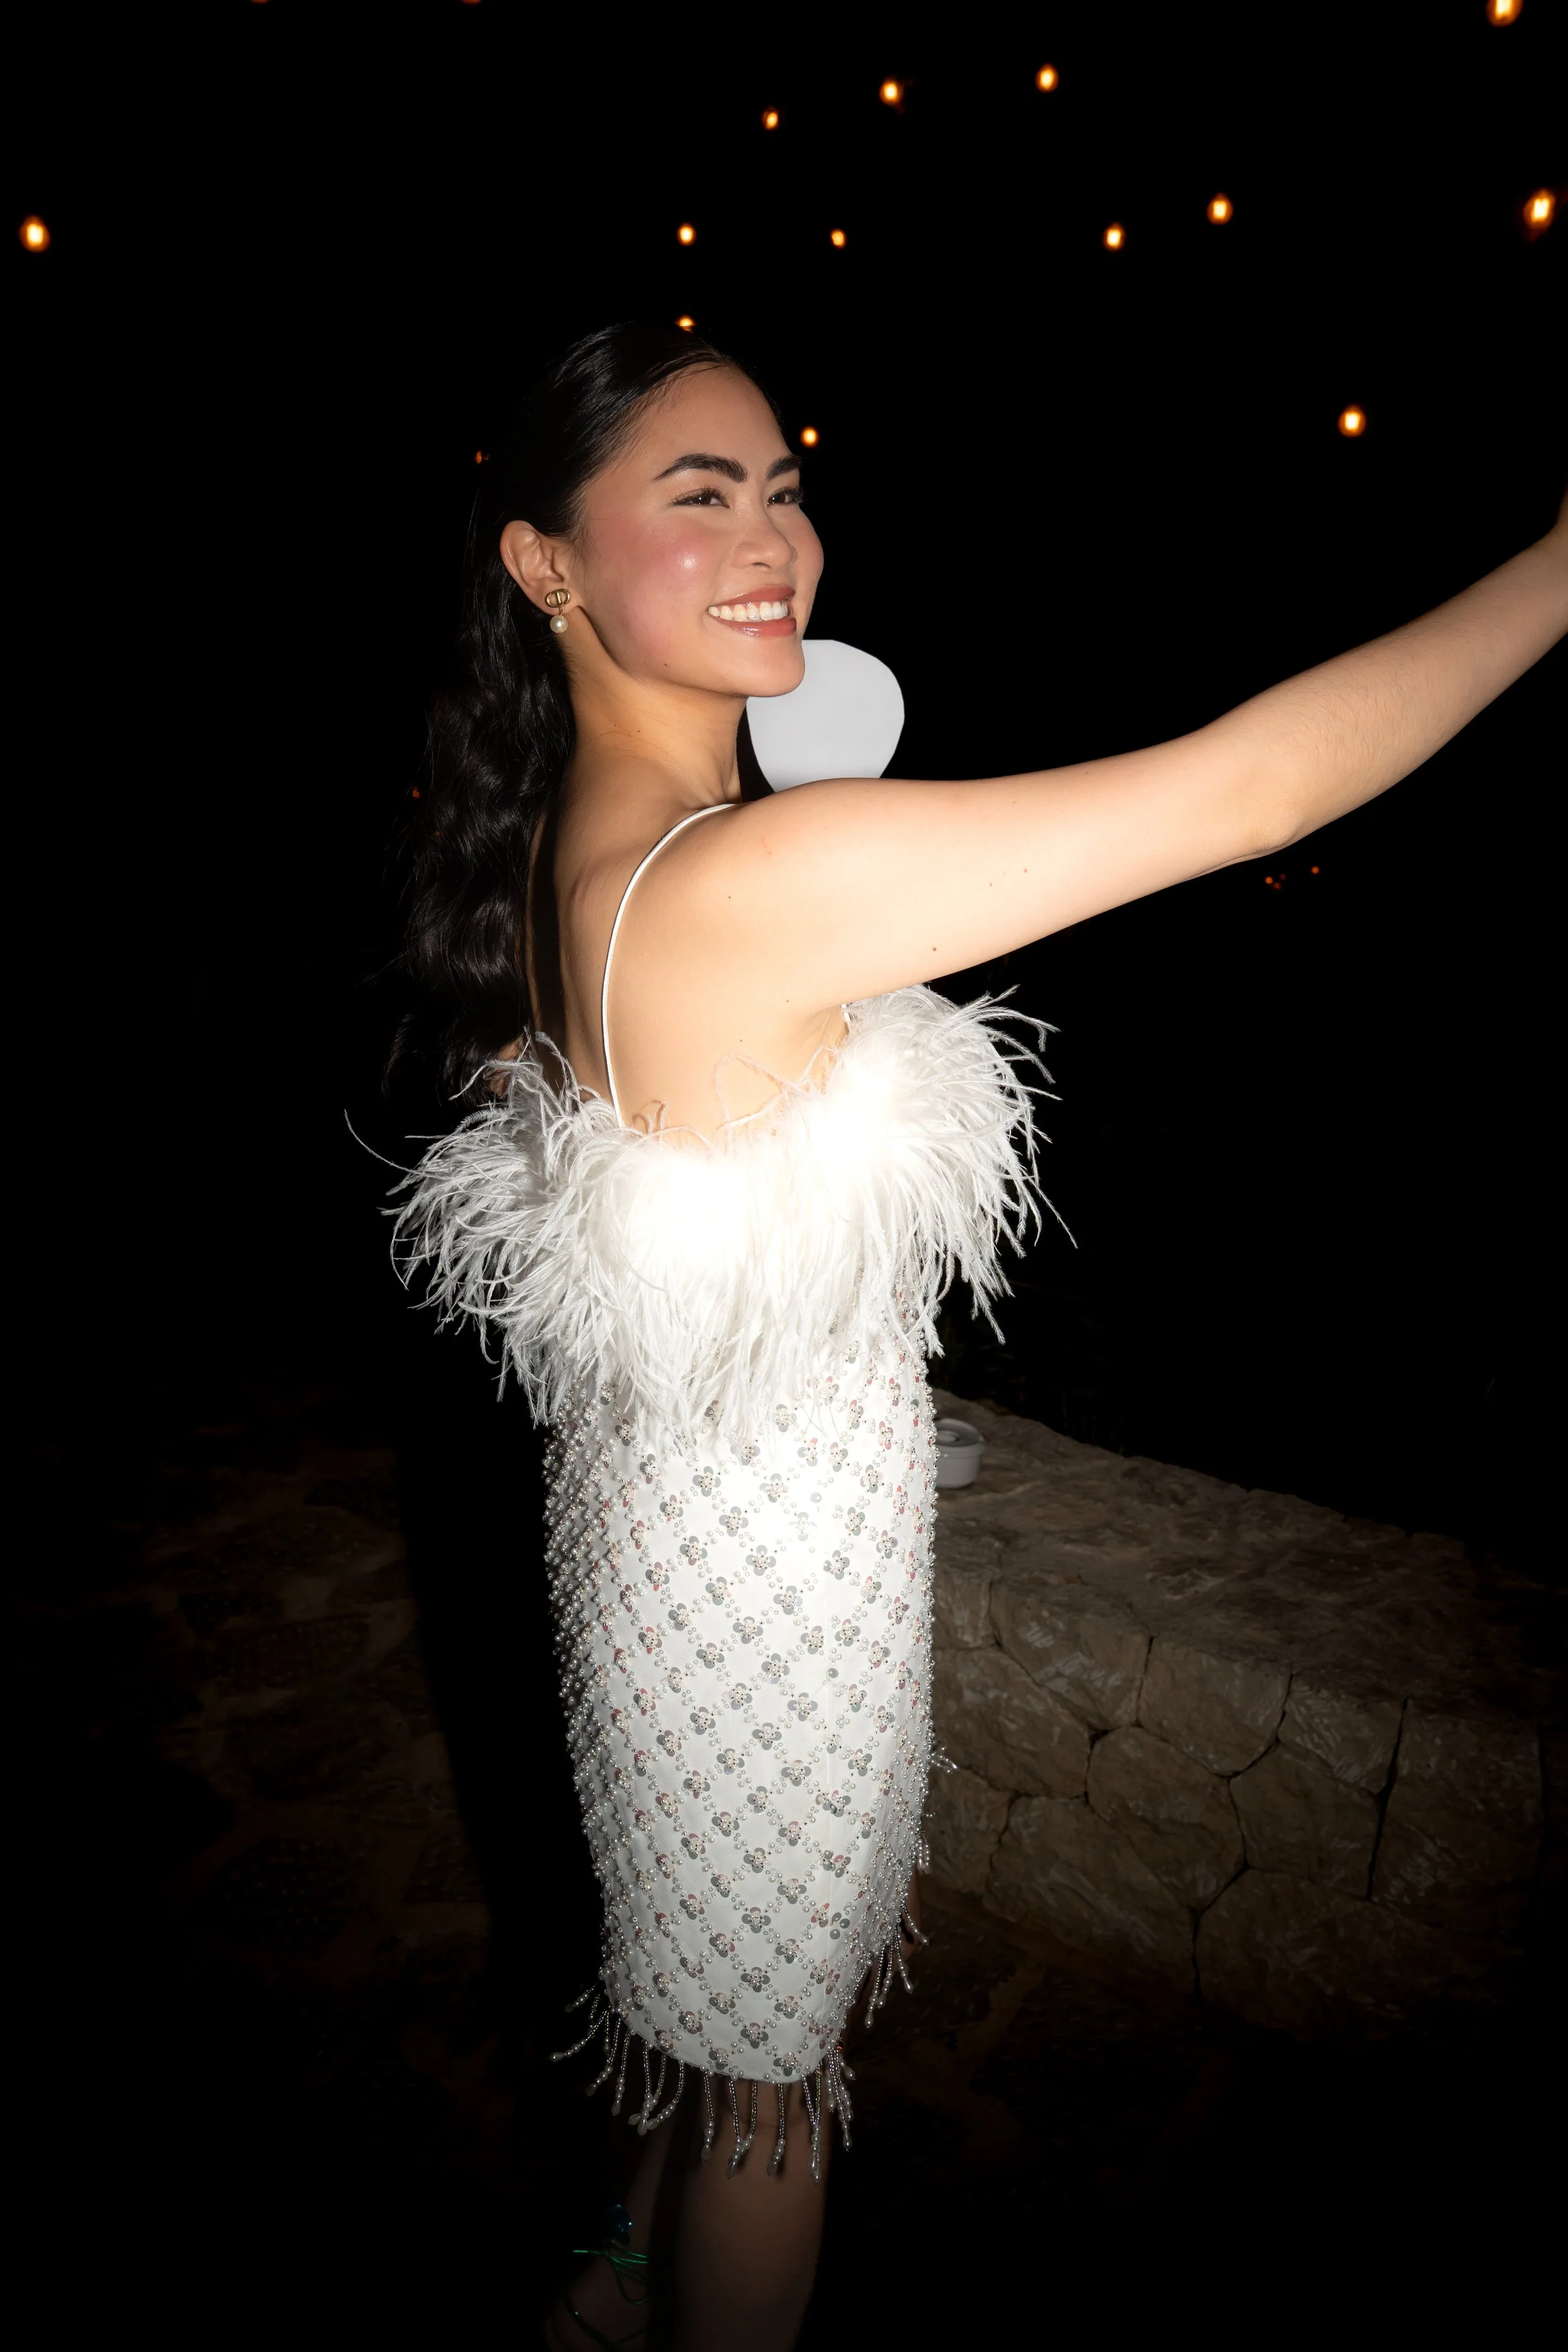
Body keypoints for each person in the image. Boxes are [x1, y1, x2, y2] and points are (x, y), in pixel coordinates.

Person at [392, 322, 1566, 2351]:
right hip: (763, 1608)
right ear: (543, 561)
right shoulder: (741, 878)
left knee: (715, 2009)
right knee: (773, 2099)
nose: (773, 538)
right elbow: (1255, 786)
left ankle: (604, 2290)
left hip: (681, 1550)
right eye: (697, 494)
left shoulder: (580, 842)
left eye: (784, 487)